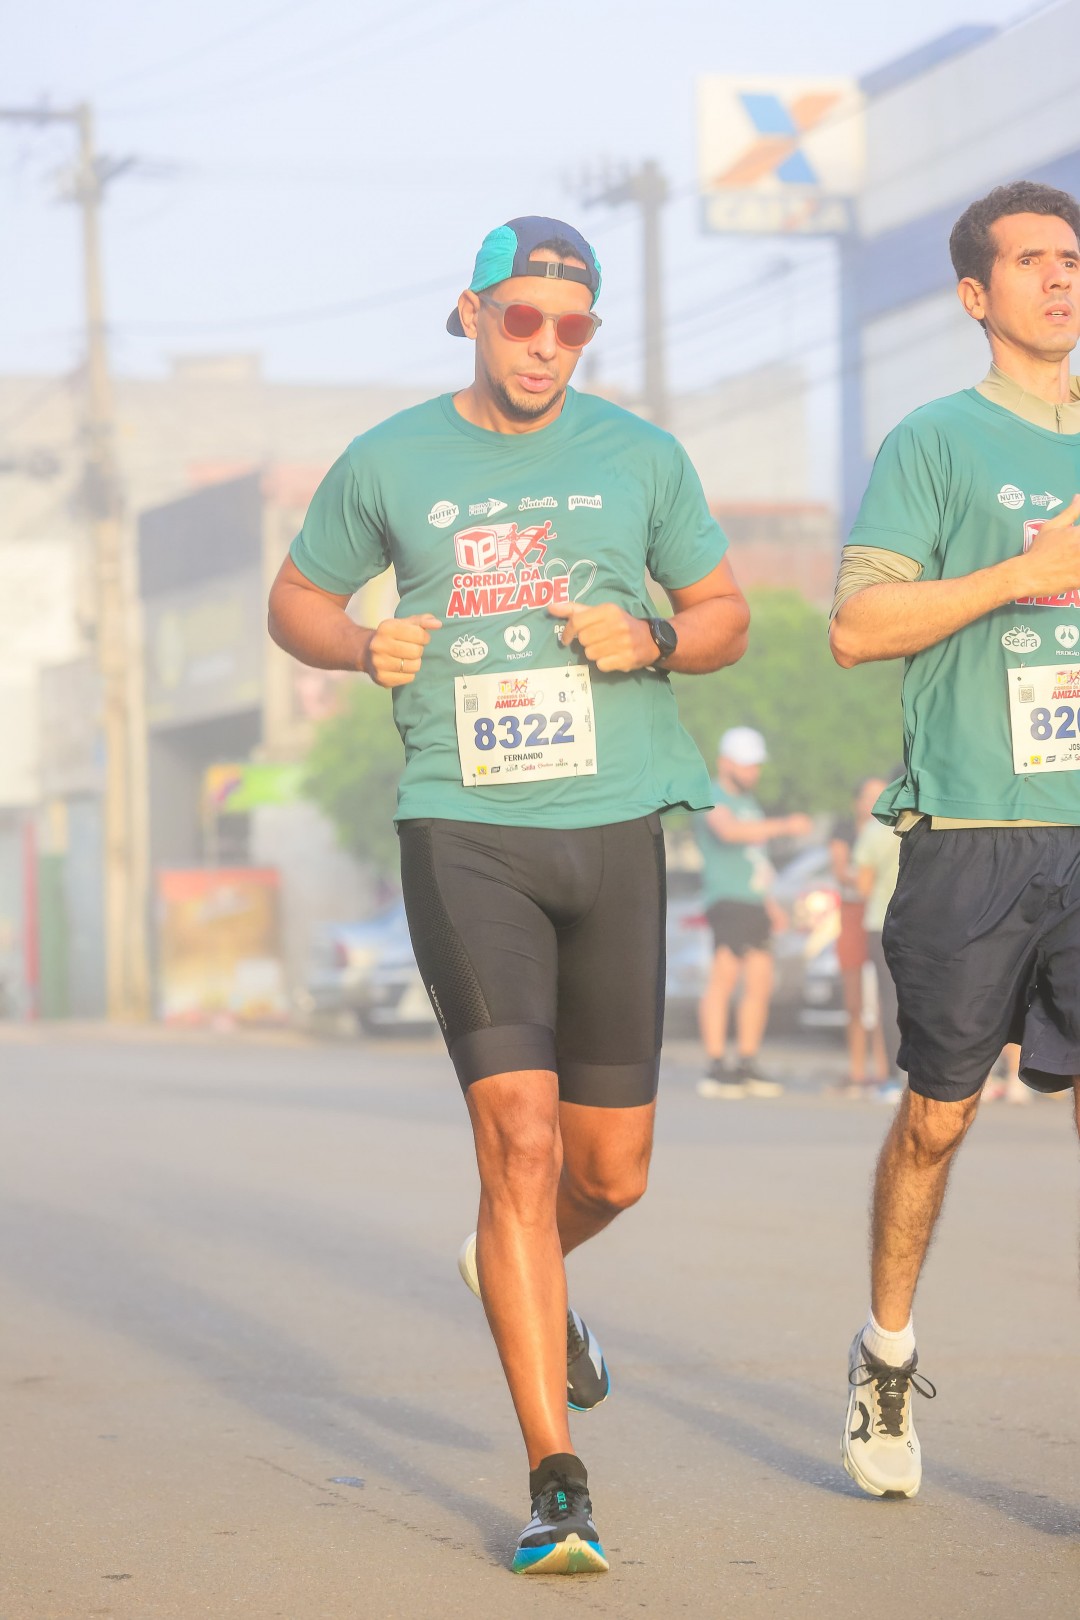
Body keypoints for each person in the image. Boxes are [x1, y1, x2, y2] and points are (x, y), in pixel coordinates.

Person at [267, 216, 750, 1573]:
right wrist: (359, 643)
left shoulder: (642, 457)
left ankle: (514, 1261)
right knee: (519, 1146)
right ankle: (557, 1478)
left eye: (571, 326)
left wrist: (653, 633)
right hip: (465, 827)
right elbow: (295, 599)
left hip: (614, 827)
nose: (546, 345)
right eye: (523, 318)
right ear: (472, 314)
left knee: (610, 1172)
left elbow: (726, 615)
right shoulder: (392, 459)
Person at [830, 179, 1080, 1500]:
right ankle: (885, 1355)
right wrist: (1025, 573)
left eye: (1072, 258)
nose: (1062, 277)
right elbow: (858, 628)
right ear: (978, 295)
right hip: (972, 832)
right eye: (1032, 260)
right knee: (938, 1119)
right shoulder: (933, 441)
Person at [694, 726, 811, 1099]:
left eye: (755, 765)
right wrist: (784, 825)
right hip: (727, 900)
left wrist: (770, 903)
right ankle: (716, 1065)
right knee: (724, 977)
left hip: (754, 902)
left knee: (759, 982)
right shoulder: (712, 795)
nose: (753, 772)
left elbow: (755, 860)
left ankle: (747, 1061)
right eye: (746, 764)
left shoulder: (750, 805)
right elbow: (728, 832)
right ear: (725, 763)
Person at [829, 778, 889, 1094]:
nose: (874, 802)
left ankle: (884, 1068)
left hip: (881, 915)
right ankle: (856, 1070)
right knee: (854, 999)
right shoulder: (846, 831)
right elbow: (841, 871)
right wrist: (867, 876)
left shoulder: (892, 830)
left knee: (884, 998)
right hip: (854, 913)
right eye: (868, 797)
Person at [851, 789, 903, 1101]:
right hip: (928, 925)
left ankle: (894, 1078)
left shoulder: (876, 829)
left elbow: (863, 886)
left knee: (890, 999)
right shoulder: (932, 822)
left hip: (883, 923)